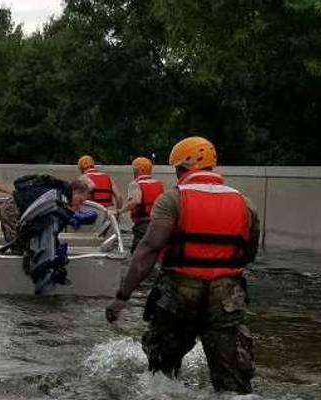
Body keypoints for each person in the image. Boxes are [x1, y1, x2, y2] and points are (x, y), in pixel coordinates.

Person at [105, 136, 261, 394]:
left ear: (180, 168)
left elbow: (149, 250)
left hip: (179, 292)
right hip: (227, 296)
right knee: (233, 383)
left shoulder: (172, 199)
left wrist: (122, 296)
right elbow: (248, 254)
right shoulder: (244, 203)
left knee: (162, 376)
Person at [118, 157, 164, 253]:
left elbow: (135, 201)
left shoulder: (135, 184)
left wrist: (120, 211)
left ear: (136, 170)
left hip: (143, 224)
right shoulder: (158, 184)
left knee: (137, 252)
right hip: (157, 222)